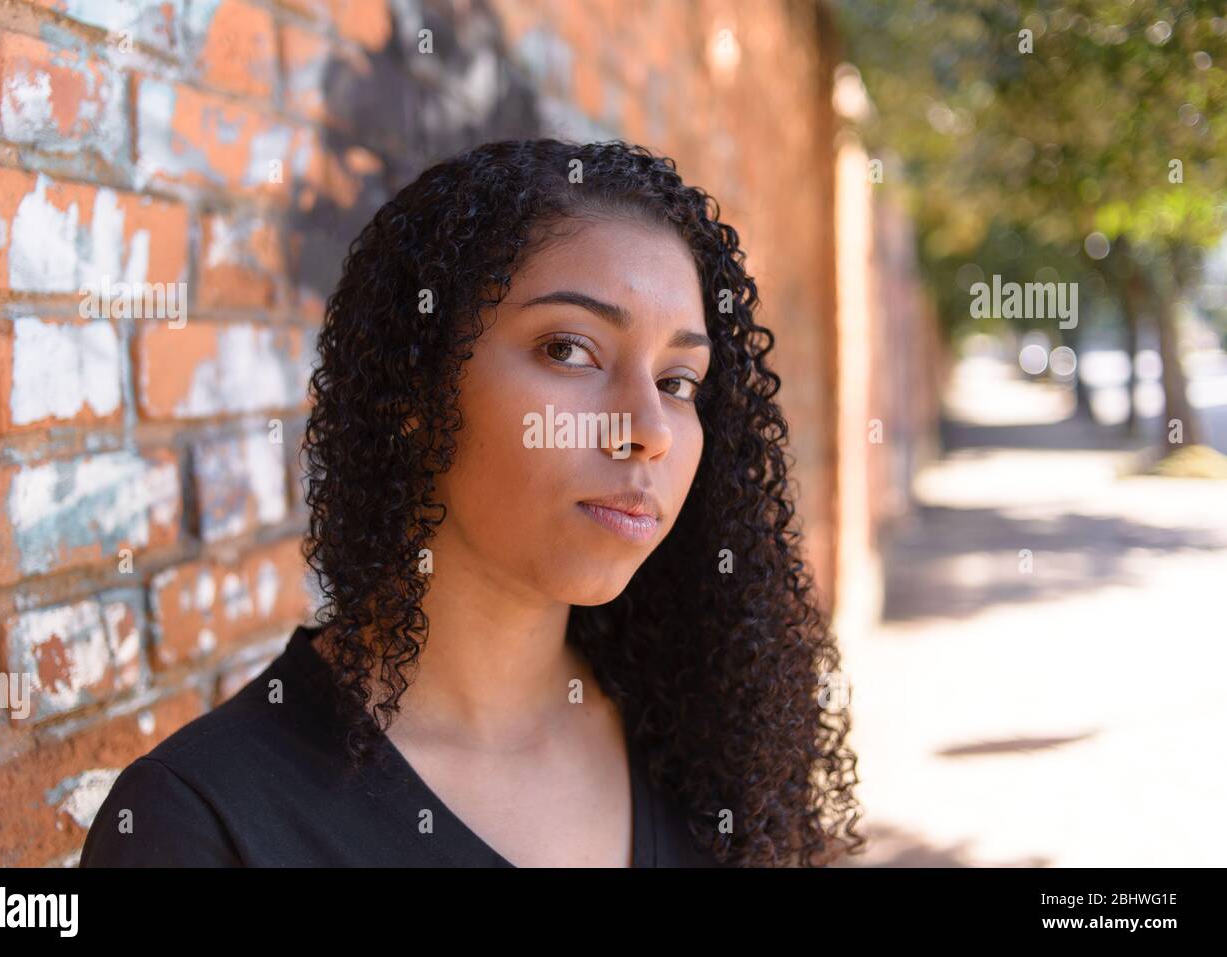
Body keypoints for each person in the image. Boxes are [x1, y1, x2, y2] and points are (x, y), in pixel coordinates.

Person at [80, 138, 864, 868]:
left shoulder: (709, 746)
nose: (649, 430)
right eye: (568, 349)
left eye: (678, 381)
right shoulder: (200, 825)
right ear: (417, 390)